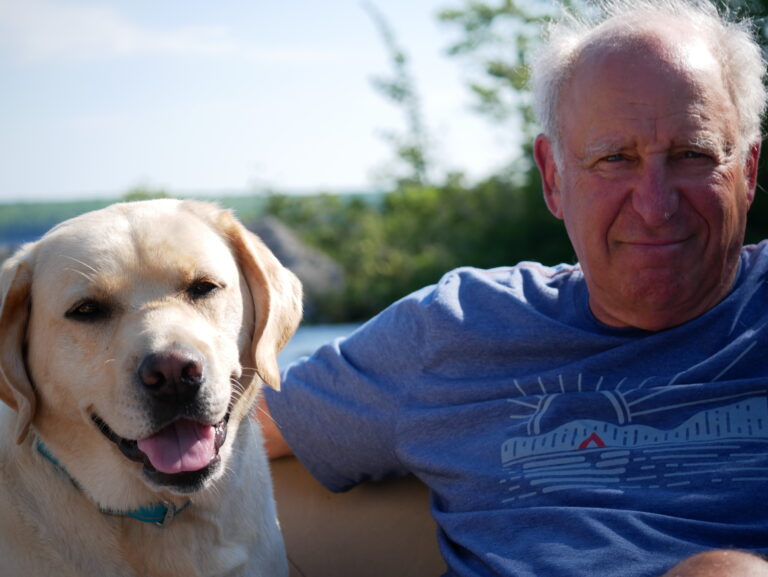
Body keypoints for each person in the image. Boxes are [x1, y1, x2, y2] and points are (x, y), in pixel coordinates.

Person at [259, 0, 768, 575]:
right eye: (614, 158)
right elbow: (224, 427)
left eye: (692, 154)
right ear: (553, 178)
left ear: (748, 172)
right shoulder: (454, 331)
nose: (655, 206)